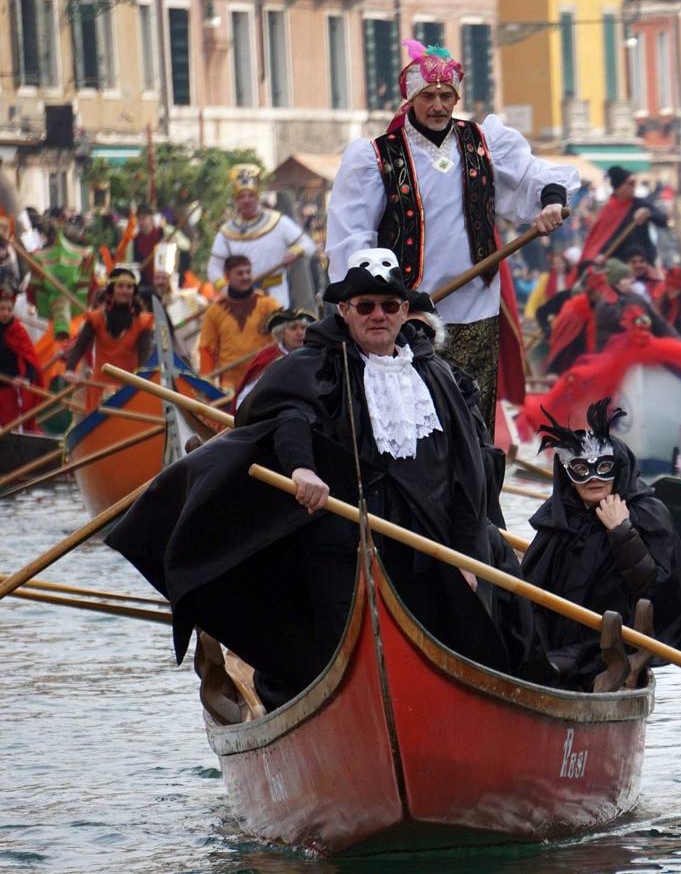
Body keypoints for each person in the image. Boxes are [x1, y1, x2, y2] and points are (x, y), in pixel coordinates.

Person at [107, 248, 535, 713]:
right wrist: (302, 468)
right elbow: (288, 416)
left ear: (405, 312)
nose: (378, 316)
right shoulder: (316, 364)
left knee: (477, 634)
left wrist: (467, 554)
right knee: (328, 657)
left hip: (432, 548)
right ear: (345, 310)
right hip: (344, 545)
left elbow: (467, 471)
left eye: (389, 306)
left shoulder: (437, 376)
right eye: (366, 306)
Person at [325, 38, 578, 431]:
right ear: (411, 99)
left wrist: (550, 202)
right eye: (429, 96)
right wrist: (368, 302)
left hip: (477, 306)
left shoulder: (484, 141)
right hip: (410, 312)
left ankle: (479, 489)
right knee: (420, 421)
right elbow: (352, 238)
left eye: (447, 95)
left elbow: (535, 175)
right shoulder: (376, 156)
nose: (439, 105)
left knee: (474, 419)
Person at [522, 398, 681, 691]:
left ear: (618, 468)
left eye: (603, 467)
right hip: (555, 644)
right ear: (567, 475)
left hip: (614, 645)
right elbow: (531, 591)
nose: (593, 479)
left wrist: (622, 532)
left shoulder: (647, 514)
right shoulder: (558, 520)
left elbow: (657, 593)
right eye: (580, 470)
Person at [207, 164, 315, 307]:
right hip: (243, 299)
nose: (246, 200)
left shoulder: (278, 222)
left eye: (251, 195)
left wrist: (295, 252)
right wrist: (224, 288)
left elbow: (308, 244)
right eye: (242, 196)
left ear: (257, 197)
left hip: (276, 295)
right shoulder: (227, 231)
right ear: (236, 200)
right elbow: (214, 266)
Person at [60, 267, 154, 409]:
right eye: (120, 286)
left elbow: (144, 355)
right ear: (112, 290)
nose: (125, 291)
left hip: (128, 387)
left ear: (134, 292)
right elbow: (80, 346)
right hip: (99, 386)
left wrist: (143, 381)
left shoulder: (143, 322)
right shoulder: (96, 318)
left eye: (129, 287)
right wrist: (70, 369)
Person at [198, 255, 283, 392]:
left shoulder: (269, 305)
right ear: (227, 277)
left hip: (265, 380)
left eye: (248, 272)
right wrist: (205, 387)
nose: (245, 277)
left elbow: (284, 338)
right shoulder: (214, 311)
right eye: (239, 273)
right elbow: (207, 349)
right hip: (230, 388)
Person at [580, 167, 666, 270]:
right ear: (620, 187)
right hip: (618, 264)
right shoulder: (608, 209)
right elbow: (604, 237)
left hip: (643, 261)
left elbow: (663, 220)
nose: (634, 186)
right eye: (631, 183)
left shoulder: (640, 204)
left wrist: (648, 214)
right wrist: (601, 254)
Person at [232, 307, 314, 409]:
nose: (300, 333)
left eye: (303, 328)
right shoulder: (268, 358)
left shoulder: (315, 354)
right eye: (293, 328)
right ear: (281, 333)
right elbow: (244, 399)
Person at [593, 259, 677, 352]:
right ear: (617, 283)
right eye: (627, 278)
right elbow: (626, 322)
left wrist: (678, 343)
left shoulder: (636, 298)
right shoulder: (605, 304)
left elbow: (660, 323)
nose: (632, 280)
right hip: (613, 355)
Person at [0, 287, 43, 428]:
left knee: (9, 427)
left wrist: (25, 378)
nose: (5, 313)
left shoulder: (19, 332)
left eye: (9, 309)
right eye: (2, 309)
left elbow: (31, 361)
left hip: (9, 386)